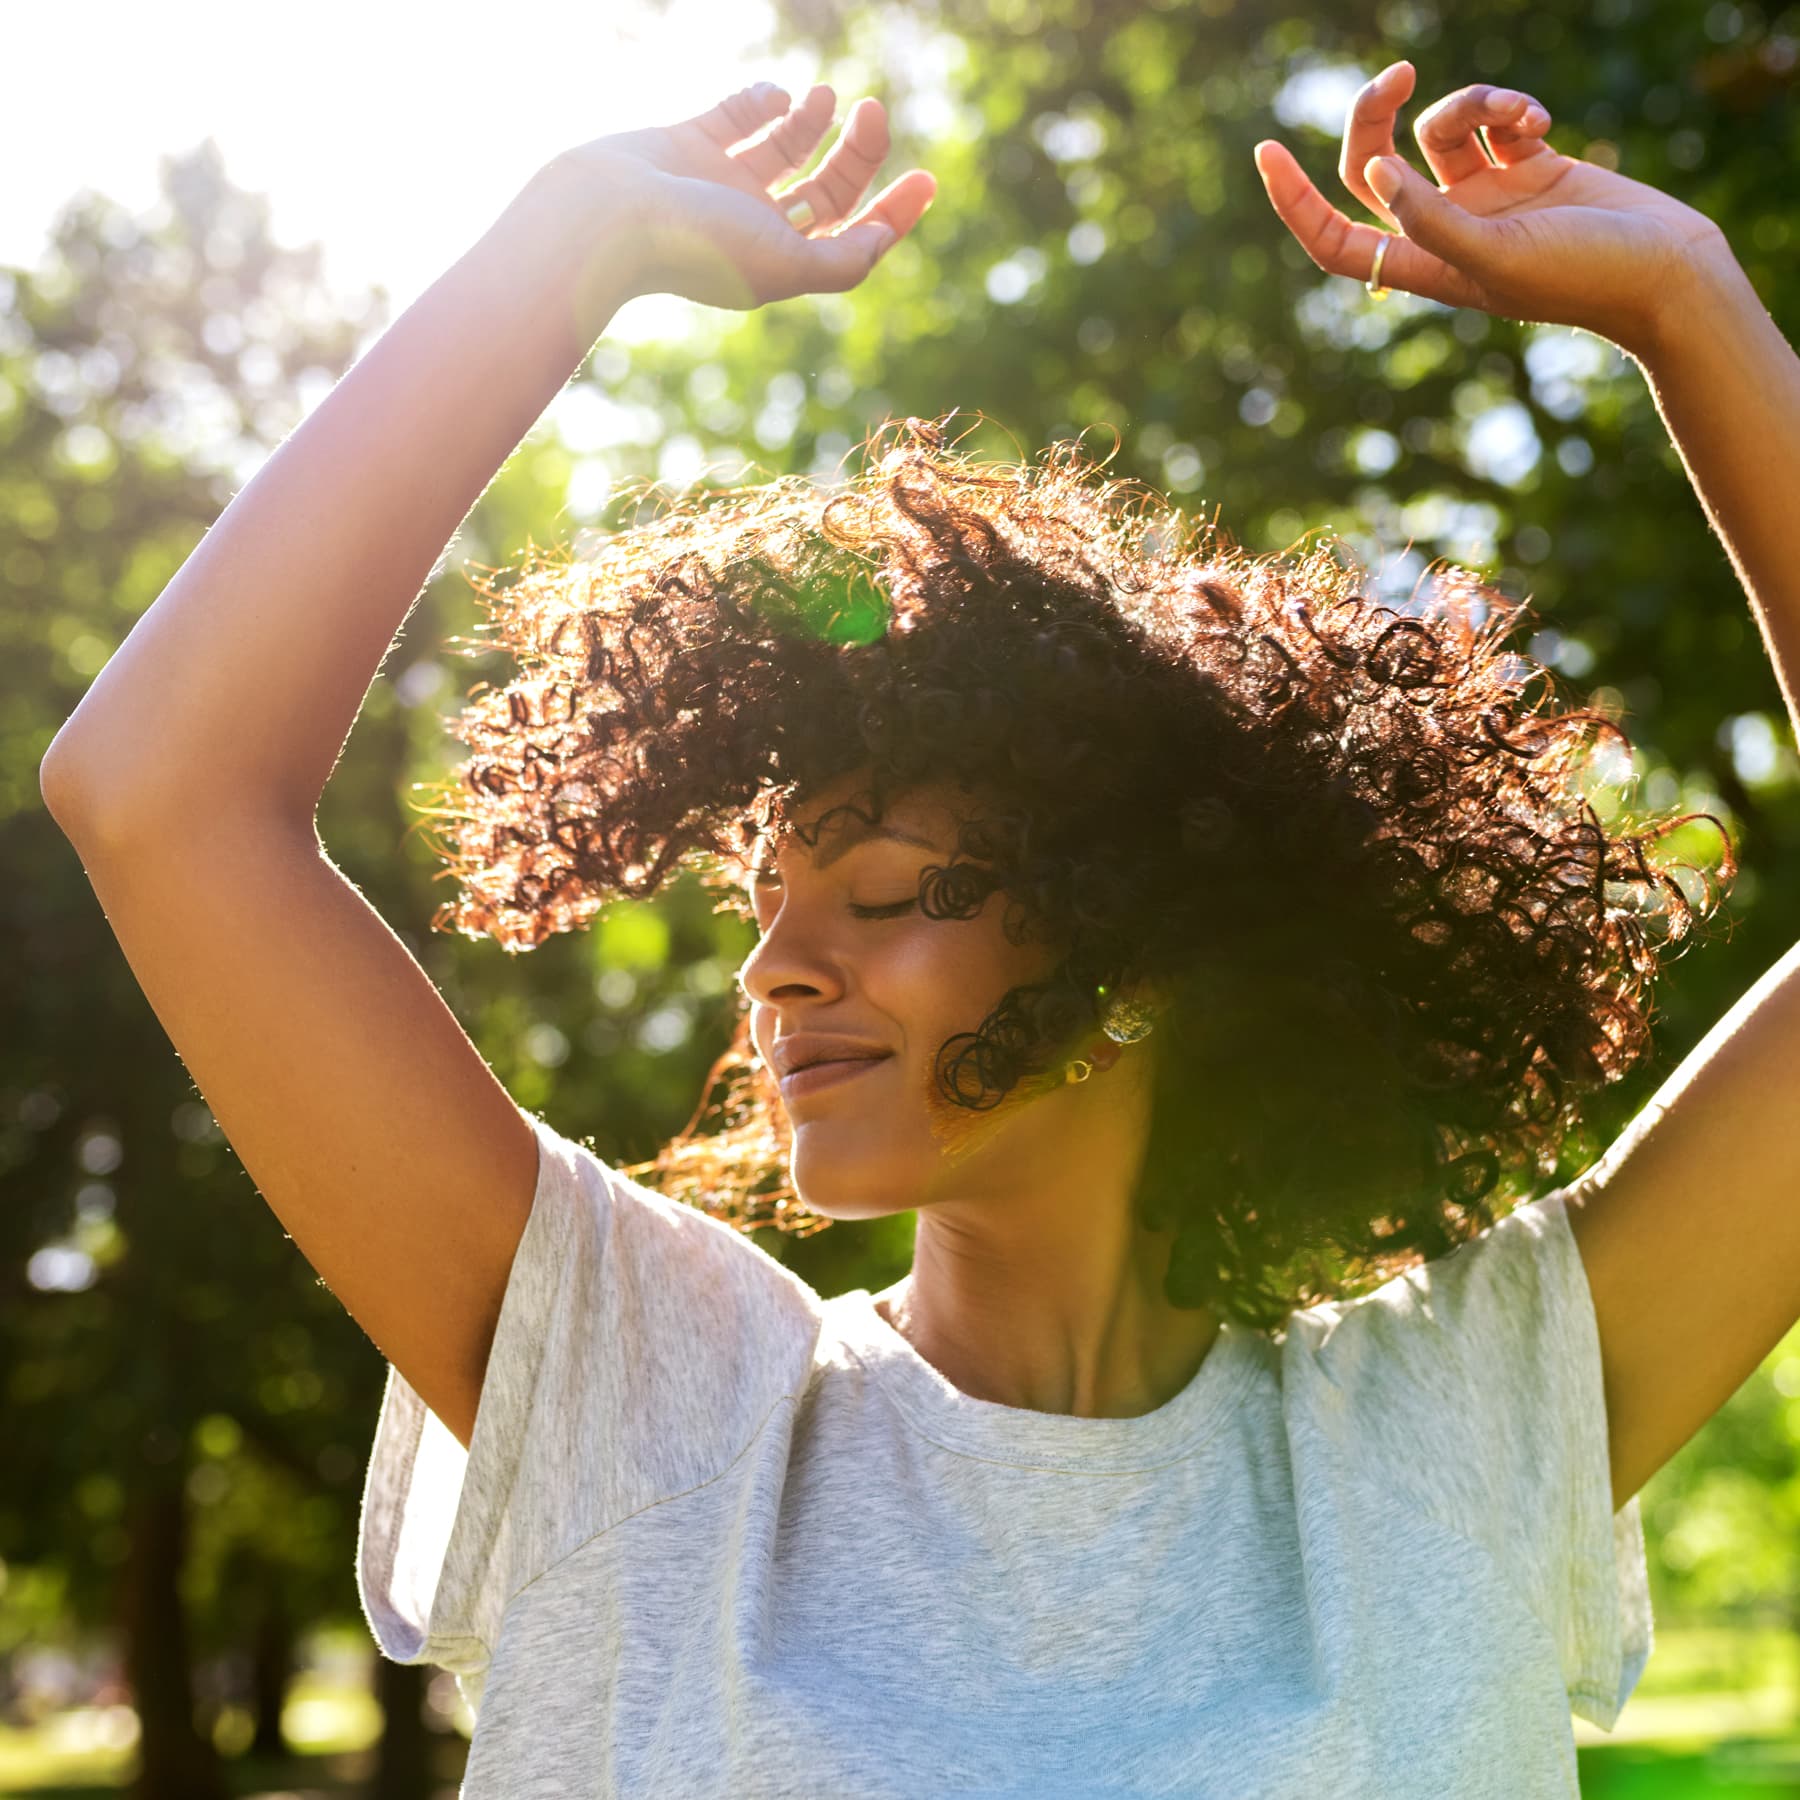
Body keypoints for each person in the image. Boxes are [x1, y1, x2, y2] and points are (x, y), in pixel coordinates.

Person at [38, 55, 1800, 1799]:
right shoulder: (653, 1406)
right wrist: (560, 247)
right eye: (765, 904)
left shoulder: (1454, 1433)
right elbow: (158, 794)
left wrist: (1694, 310)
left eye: (880, 898)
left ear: (1150, 951)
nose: (773, 968)